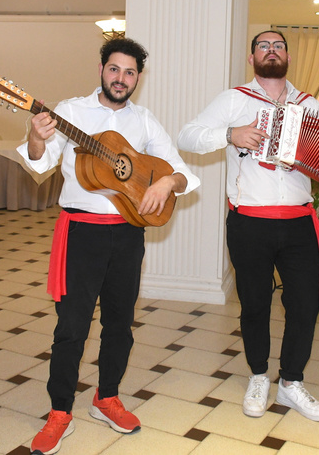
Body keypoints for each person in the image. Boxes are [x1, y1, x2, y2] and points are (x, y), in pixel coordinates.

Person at [177, 30, 319, 422]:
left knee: (304, 305)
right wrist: (231, 134)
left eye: (278, 46)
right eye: (263, 46)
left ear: (288, 57)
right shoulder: (234, 99)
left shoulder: (309, 105)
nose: (271, 51)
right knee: (254, 304)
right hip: (249, 222)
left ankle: (291, 382)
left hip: (299, 222)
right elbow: (187, 137)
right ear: (252, 58)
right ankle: (258, 376)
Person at [19, 37, 200, 455]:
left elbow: (182, 173)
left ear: (138, 78)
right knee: (72, 328)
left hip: (128, 234)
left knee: (120, 323)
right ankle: (60, 412)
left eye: (130, 72)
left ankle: (107, 397)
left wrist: (165, 183)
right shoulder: (70, 112)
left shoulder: (144, 120)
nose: (121, 78)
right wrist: (36, 137)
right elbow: (39, 163)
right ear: (101, 69)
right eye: (115, 69)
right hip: (81, 234)